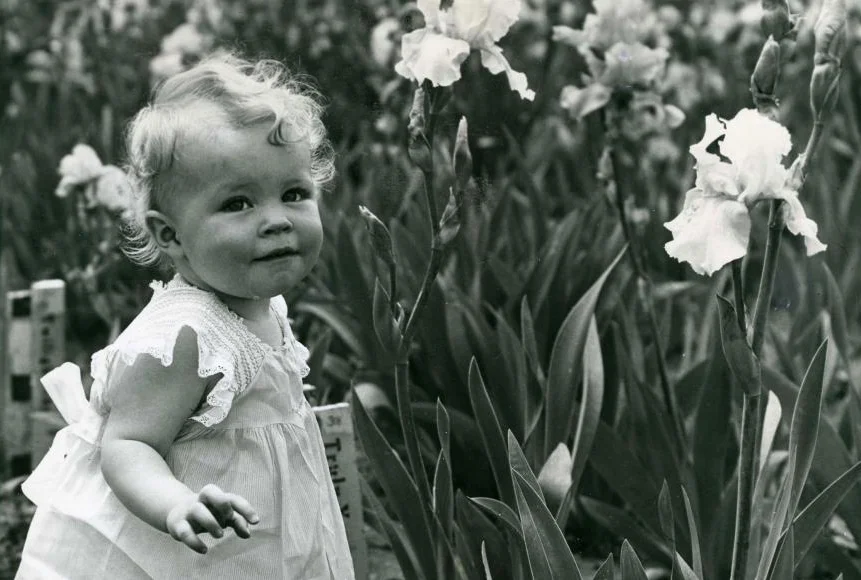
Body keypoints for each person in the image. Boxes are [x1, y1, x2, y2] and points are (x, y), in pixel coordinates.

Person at [16, 52, 355, 580]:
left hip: (250, 534)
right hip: (174, 548)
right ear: (169, 235)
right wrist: (174, 504)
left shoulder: (261, 308)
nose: (276, 221)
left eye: (293, 194)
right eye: (238, 204)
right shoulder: (184, 337)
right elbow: (127, 445)